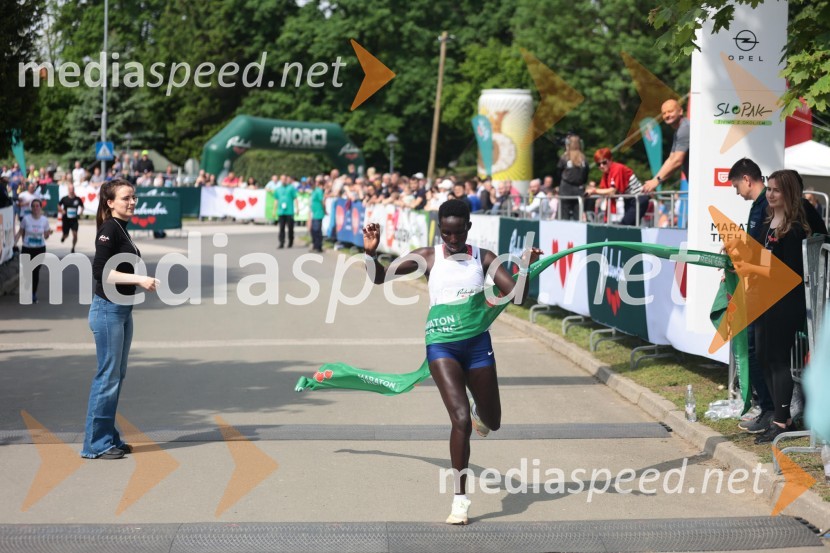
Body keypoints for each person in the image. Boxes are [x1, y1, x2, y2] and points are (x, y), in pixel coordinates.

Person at [362, 199, 542, 525]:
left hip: (476, 346)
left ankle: (480, 413)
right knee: (459, 419)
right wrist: (371, 253)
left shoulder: (483, 257)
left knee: (492, 421)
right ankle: (460, 500)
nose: (452, 240)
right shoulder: (428, 256)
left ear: (468, 228)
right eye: (446, 233)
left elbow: (517, 296)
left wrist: (526, 266)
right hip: (441, 345)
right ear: (440, 230)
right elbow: (379, 277)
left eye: (458, 233)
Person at [728, 170, 811, 444]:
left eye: (775, 190)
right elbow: (761, 258)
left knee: (778, 360)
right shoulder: (768, 220)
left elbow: (788, 271)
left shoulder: (795, 226)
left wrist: (753, 265)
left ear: (788, 193)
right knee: (764, 356)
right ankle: (778, 416)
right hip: (764, 299)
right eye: (770, 189)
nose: (770, 194)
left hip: (786, 303)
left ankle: (781, 420)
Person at [82, 179, 160, 460]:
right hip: (107, 311)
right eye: (126, 198)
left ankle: (108, 437)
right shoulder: (108, 230)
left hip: (121, 310)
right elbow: (101, 272)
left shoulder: (120, 229)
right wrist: (140, 278)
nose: (132, 202)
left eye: (134, 197)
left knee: (116, 375)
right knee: (107, 376)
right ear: (110, 202)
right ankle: (96, 444)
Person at [586, 148, 649, 225]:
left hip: (638, 198)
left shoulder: (617, 168)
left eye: (604, 162)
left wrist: (593, 191)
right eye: (598, 164)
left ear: (610, 160)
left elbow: (612, 191)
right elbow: (604, 191)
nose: (601, 166)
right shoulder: (606, 174)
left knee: (625, 226)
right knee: (630, 228)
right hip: (629, 199)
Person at [642, 99, 690, 193]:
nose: (667, 115)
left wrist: (657, 181)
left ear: (680, 111)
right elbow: (671, 158)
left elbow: (677, 161)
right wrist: (654, 180)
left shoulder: (684, 128)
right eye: (664, 113)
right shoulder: (678, 131)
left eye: (670, 111)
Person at [15, 199, 51, 303]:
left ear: (40, 208)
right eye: (34, 206)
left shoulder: (44, 220)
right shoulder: (26, 219)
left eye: (37, 206)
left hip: (39, 249)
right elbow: (20, 232)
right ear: (31, 208)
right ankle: (27, 284)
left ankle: (33, 294)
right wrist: (14, 243)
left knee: (35, 272)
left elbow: (46, 235)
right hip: (27, 248)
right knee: (26, 271)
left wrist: (47, 234)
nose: (35, 208)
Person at [555, 134, 589, 220]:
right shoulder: (584, 159)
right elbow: (585, 175)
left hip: (565, 189)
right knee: (578, 215)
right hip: (579, 190)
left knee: (563, 215)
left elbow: (558, 172)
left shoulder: (565, 157)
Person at [58, 183, 85, 254]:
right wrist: (62, 210)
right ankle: (64, 237)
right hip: (66, 220)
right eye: (70, 189)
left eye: (72, 189)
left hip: (74, 220)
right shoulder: (64, 198)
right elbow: (58, 205)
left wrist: (81, 212)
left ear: (74, 190)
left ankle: (73, 247)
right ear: (68, 190)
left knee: (75, 234)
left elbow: (82, 206)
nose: (71, 190)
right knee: (66, 234)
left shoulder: (77, 199)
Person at [275, 178, 299, 248]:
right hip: (281, 211)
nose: (283, 181)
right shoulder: (278, 189)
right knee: (281, 228)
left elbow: (295, 198)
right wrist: (274, 210)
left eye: (284, 179)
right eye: (282, 179)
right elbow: (276, 200)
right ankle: (281, 242)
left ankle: (291, 241)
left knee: (290, 228)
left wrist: (297, 208)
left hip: (289, 211)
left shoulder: (291, 188)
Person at [309, 177, 326, 253]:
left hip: (318, 212)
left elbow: (322, 201)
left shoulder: (318, 191)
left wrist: (324, 210)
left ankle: (319, 246)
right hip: (314, 213)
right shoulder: (313, 191)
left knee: (317, 230)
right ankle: (315, 245)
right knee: (313, 230)